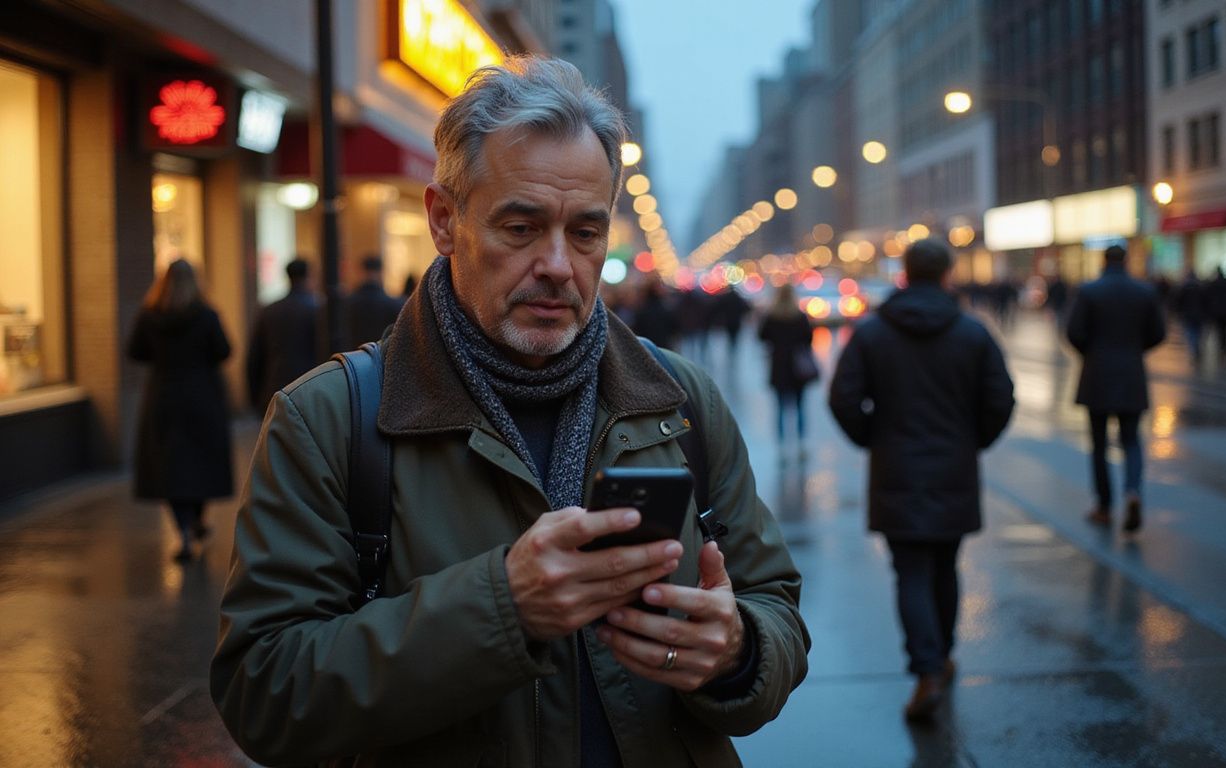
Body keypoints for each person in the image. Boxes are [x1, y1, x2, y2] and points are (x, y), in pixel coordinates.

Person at [211, 56, 809, 767]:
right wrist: (502, 606)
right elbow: (264, 692)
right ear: (444, 220)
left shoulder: (680, 401)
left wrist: (738, 649)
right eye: (521, 228)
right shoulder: (329, 420)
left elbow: (775, 606)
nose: (558, 264)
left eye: (585, 233)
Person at [828, 239, 1014, 721]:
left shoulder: (872, 333)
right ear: (948, 274)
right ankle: (943, 655)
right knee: (946, 565)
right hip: (954, 467)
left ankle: (926, 667)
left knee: (909, 571)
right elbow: (1001, 398)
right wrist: (974, 440)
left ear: (905, 273)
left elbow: (843, 398)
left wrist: (873, 437)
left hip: (896, 468)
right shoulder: (972, 332)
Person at [126, 259, 233, 562]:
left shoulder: (149, 316)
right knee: (200, 461)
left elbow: (135, 351)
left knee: (170, 466)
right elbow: (224, 351)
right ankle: (198, 518)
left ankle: (184, 530)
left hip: (163, 397)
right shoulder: (207, 315)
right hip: (202, 396)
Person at [1066, 245, 1166, 532]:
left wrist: (1092, 352)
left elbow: (1074, 332)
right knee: (1131, 440)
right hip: (1131, 373)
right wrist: (1135, 350)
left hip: (1097, 374)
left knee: (1099, 445)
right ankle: (1132, 491)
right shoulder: (1144, 292)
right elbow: (1158, 332)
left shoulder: (1089, 291)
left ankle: (1104, 506)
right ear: (1127, 261)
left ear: (1103, 261)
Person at [245, 258, 320, 414]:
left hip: (275, 386)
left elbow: (255, 357)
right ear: (309, 276)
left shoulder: (269, 310)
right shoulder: (317, 309)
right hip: (310, 386)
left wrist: (254, 396)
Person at [757, 283, 816, 445]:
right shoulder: (799, 316)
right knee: (800, 406)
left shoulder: (771, 316)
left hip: (779, 366)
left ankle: (782, 444)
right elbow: (809, 338)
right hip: (798, 368)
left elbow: (762, 337)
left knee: (780, 408)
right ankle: (801, 442)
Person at [345, 254, 405, 346]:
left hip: (351, 357)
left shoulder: (346, 304)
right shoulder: (395, 304)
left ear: (361, 272)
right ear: (381, 273)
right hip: (382, 357)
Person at [1203, 268, 1226, 359]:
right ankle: (1225, 347)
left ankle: (1222, 347)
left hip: (1217, 311)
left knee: (1219, 330)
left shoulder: (1213, 284)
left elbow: (1208, 297)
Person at [1173, 270, 1205, 363]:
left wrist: (1178, 312)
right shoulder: (1201, 287)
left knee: (1190, 332)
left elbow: (1178, 301)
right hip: (1200, 314)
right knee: (1198, 332)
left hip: (1187, 313)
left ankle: (1193, 347)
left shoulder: (1183, 287)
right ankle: (1196, 346)